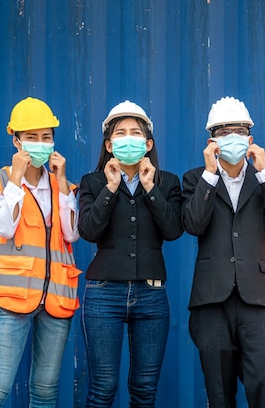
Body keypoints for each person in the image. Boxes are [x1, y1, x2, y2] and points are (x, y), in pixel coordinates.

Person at [181, 96, 265, 408]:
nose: (232, 137)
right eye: (224, 132)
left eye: (239, 131)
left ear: (250, 138)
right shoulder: (195, 179)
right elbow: (192, 223)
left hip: (257, 298)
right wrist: (209, 174)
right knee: (219, 392)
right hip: (212, 299)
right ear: (212, 141)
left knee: (263, 385)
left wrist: (264, 172)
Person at [0, 97, 81, 407]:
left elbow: (72, 233)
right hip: (13, 299)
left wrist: (60, 181)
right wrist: (17, 179)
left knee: (45, 392)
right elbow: (4, 227)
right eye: (31, 137)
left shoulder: (65, 186)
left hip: (55, 301)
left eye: (46, 137)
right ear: (16, 140)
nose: (40, 144)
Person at [78, 100, 183, 407]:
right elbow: (88, 230)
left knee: (144, 389)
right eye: (120, 133)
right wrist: (110, 189)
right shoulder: (93, 182)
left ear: (148, 143)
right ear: (109, 144)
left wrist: (150, 188)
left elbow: (174, 230)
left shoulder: (168, 182)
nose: (128, 138)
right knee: (103, 388)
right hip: (103, 294)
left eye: (135, 132)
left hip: (151, 296)